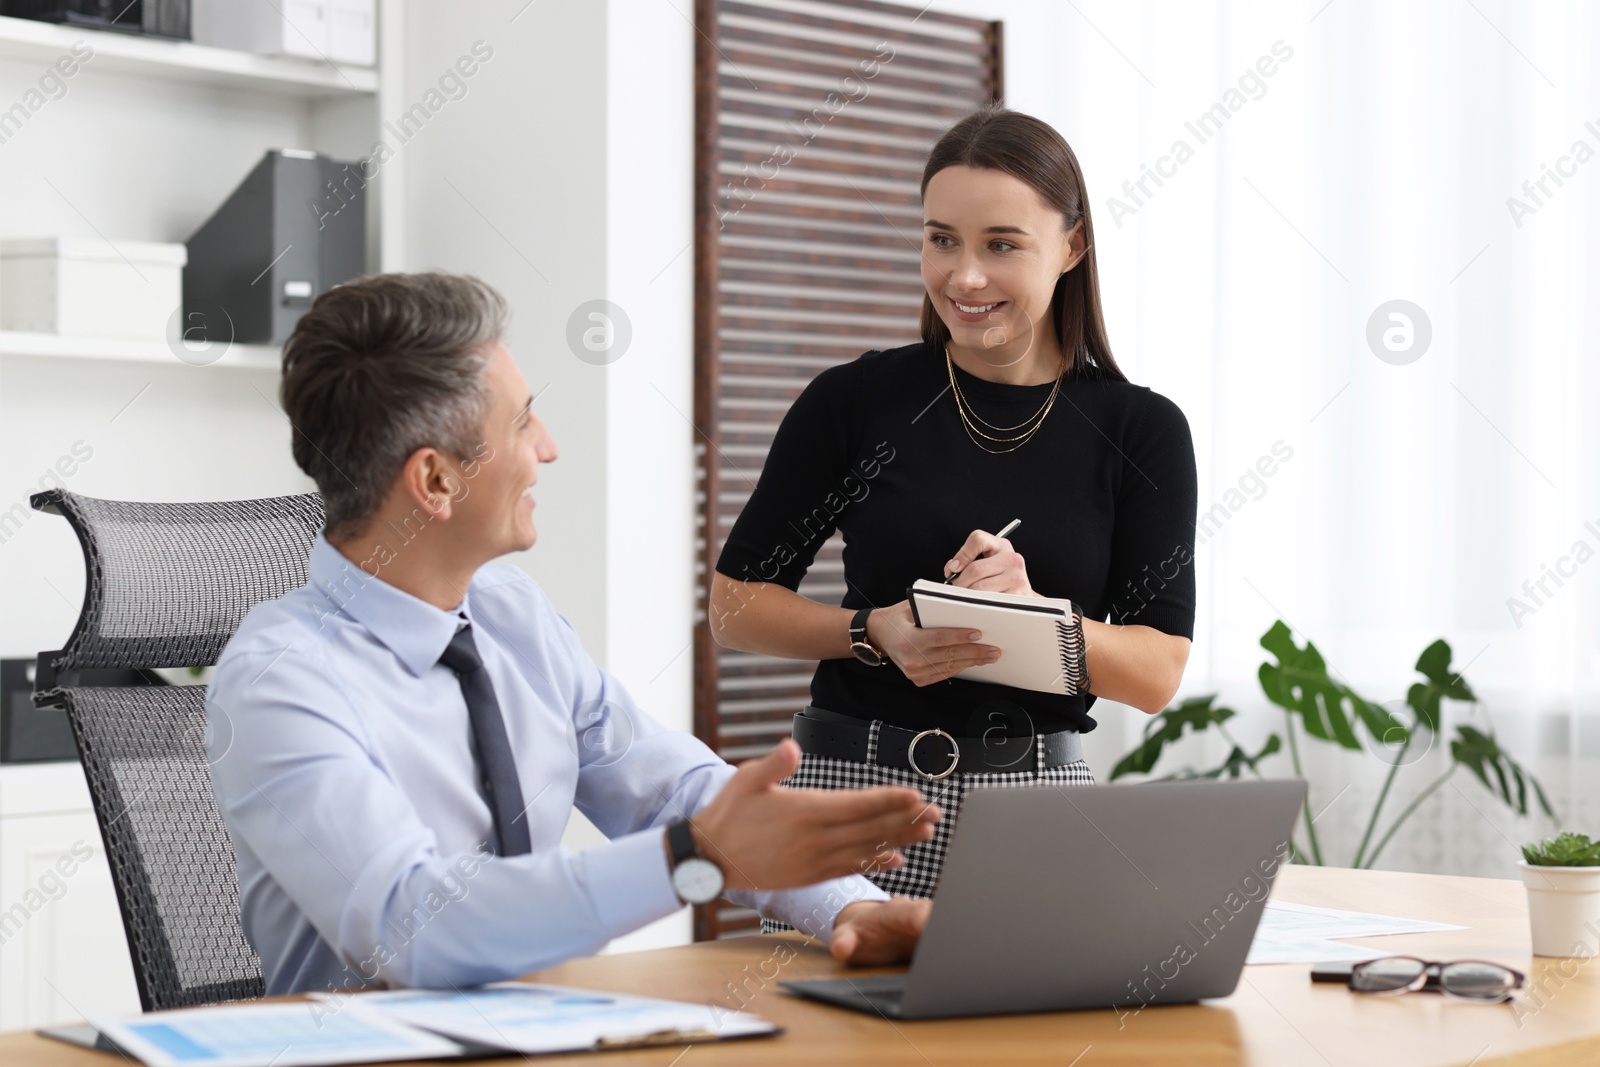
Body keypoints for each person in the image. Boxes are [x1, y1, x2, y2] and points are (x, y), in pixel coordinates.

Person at [206, 272, 939, 996]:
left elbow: (665, 788)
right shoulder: (279, 680)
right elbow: (416, 925)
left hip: (544, 1034)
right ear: (435, 482)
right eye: (523, 422)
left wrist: (852, 907)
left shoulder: (508, 612)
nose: (548, 448)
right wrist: (696, 857)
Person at [710, 108, 1198, 921]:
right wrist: (875, 632)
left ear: (1071, 248)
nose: (964, 277)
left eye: (1001, 245)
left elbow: (1156, 673)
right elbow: (734, 607)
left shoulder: (1140, 429)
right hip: (851, 797)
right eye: (941, 240)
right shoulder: (855, 401)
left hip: (1034, 806)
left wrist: (1038, 615)